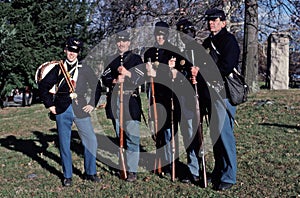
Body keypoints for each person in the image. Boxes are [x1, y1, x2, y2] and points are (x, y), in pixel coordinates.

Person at [38, 37, 102, 187]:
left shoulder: (85, 68)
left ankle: (90, 172)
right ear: (65, 50)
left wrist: (92, 104)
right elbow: (43, 86)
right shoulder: (59, 68)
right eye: (70, 50)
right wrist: (49, 105)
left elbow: (96, 86)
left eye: (75, 51)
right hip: (62, 109)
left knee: (91, 141)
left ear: (78, 52)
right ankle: (67, 175)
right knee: (64, 143)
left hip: (81, 108)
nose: (72, 53)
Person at [199, 8, 240, 191]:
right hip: (209, 95)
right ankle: (219, 170)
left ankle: (229, 177)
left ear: (223, 22)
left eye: (215, 20)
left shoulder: (228, 41)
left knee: (225, 137)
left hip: (223, 94)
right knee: (216, 136)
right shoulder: (208, 42)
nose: (211, 23)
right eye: (209, 20)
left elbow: (226, 66)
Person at [101, 30, 145, 182]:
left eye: (124, 41)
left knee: (132, 136)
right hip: (115, 101)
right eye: (119, 41)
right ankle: (123, 165)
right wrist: (114, 81)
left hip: (130, 101)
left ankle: (132, 170)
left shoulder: (136, 59)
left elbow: (141, 77)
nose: (121, 44)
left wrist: (127, 73)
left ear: (129, 43)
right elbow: (105, 77)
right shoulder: (110, 59)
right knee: (120, 135)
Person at [144, 21, 181, 178]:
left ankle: (173, 163)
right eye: (158, 34)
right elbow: (145, 73)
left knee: (170, 130)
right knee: (158, 129)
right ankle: (162, 161)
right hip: (155, 95)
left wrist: (156, 73)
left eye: (163, 34)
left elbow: (175, 75)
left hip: (170, 95)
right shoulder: (149, 52)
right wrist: (148, 73)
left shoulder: (174, 51)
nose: (160, 37)